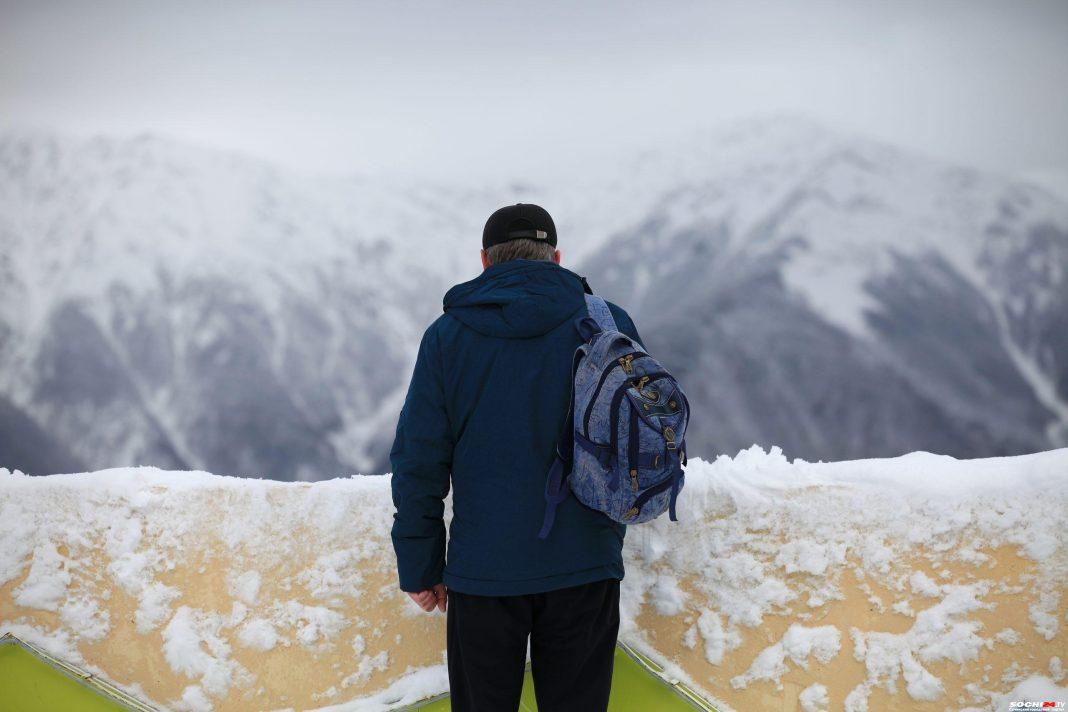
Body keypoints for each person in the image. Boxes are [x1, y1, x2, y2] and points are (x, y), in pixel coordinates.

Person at [389, 203, 644, 712]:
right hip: (585, 562)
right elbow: (638, 430)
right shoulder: (605, 321)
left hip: (483, 571)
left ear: (485, 260)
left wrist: (420, 563)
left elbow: (419, 459)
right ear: (557, 258)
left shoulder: (447, 336)